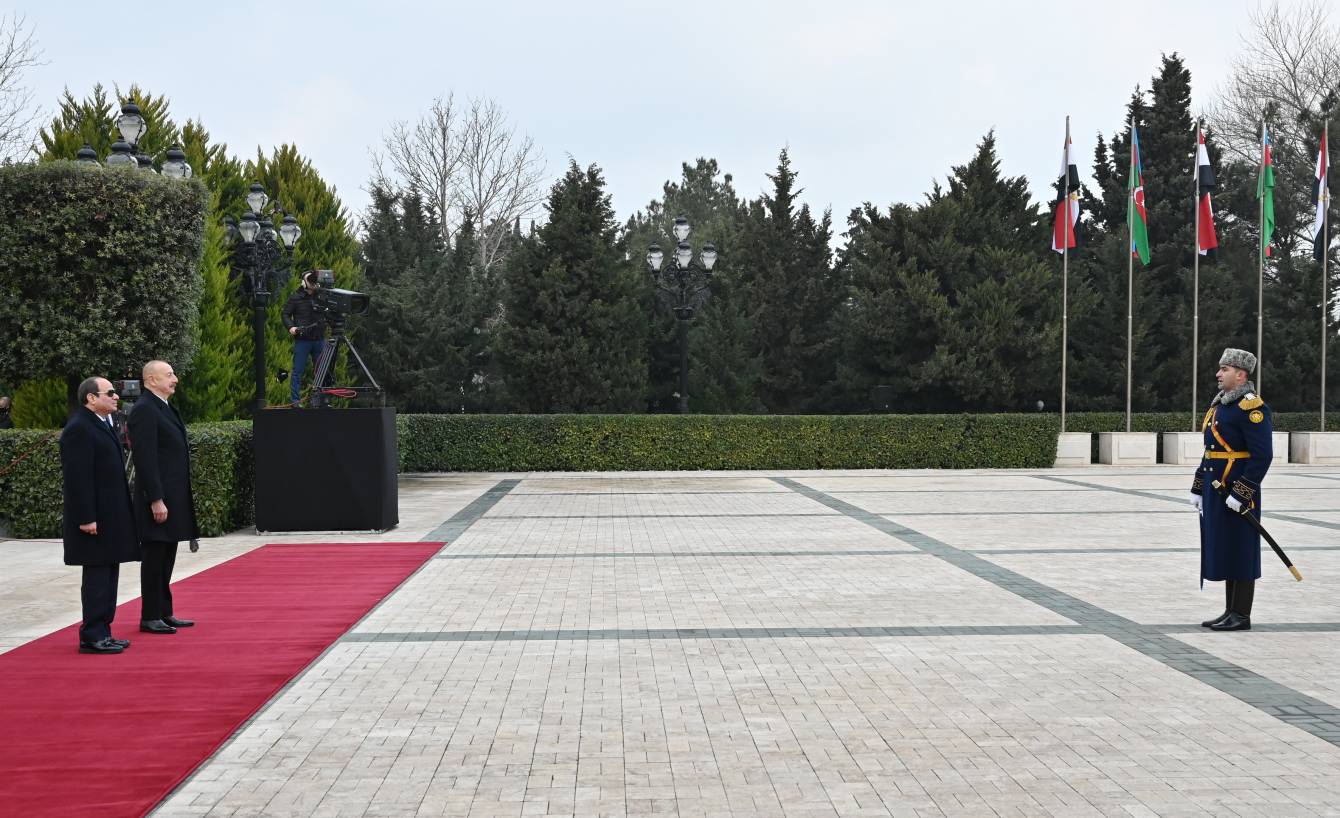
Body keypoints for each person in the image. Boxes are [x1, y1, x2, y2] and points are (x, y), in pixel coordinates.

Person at [1190, 348, 1272, 632]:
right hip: (1217, 491)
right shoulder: (1221, 406)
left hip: (1236, 493)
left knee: (1242, 550)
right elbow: (1210, 451)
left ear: (1241, 375)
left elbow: (1262, 456)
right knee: (1227, 547)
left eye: (1224, 369)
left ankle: (1242, 614)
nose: (1218, 374)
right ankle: (1230, 611)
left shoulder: (1252, 408)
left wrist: (1242, 493)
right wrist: (1198, 486)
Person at [60, 377, 140, 654]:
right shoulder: (79, 428)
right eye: (110, 393)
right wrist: (86, 517)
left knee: (109, 574)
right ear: (91, 398)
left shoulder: (103, 423)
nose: (116, 397)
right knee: (97, 576)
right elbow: (78, 478)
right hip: (93, 518)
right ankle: (92, 635)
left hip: (110, 516)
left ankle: (104, 631)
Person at [128, 360, 198, 634]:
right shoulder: (145, 409)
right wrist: (155, 498)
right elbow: (145, 459)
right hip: (158, 499)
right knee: (155, 556)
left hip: (172, 495)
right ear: (151, 380)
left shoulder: (164, 407)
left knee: (167, 554)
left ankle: (164, 611)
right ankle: (150, 615)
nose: (175, 379)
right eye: (169, 375)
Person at [281, 270, 326, 407]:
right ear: (304, 282)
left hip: (319, 339)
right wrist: (291, 327)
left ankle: (320, 401)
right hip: (303, 340)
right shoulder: (296, 297)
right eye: (310, 280)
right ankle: (295, 401)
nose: (313, 283)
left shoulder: (321, 296)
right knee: (297, 371)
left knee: (321, 371)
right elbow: (285, 314)